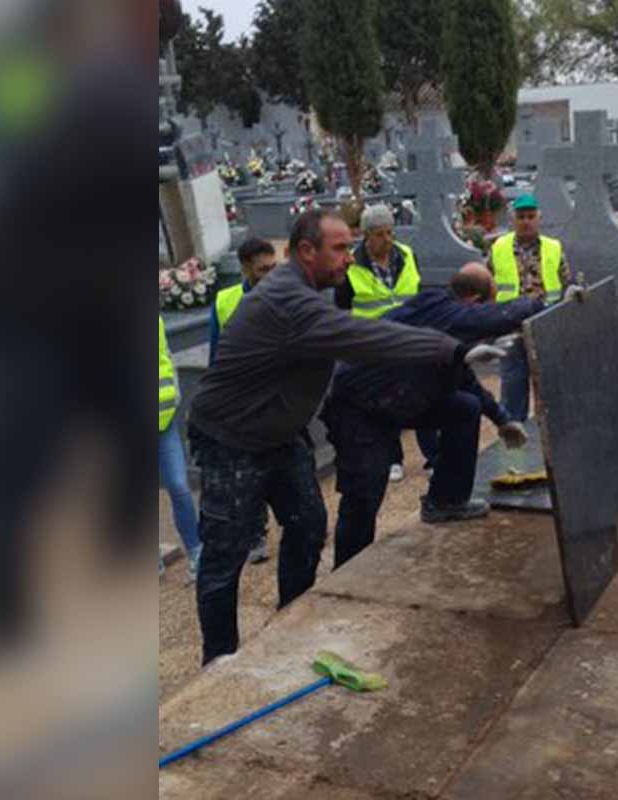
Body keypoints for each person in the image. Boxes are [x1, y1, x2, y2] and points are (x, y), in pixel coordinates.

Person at [187, 209, 504, 664]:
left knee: (308, 526)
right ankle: (218, 660)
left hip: (279, 434)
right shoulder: (289, 299)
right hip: (230, 438)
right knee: (226, 553)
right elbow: (364, 336)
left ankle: (289, 626)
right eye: (339, 248)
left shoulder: (314, 289)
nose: (349, 258)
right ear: (305, 251)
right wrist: (453, 349)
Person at [320, 263, 538, 569]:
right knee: (365, 491)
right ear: (474, 300)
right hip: (360, 407)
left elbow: (464, 379)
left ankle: (446, 502)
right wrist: (545, 305)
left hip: (397, 397)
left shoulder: (445, 317)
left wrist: (501, 420)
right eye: (488, 303)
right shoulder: (445, 311)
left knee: (464, 407)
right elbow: (502, 316)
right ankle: (346, 570)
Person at [335, 203, 421, 484]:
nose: (388, 239)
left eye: (390, 232)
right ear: (366, 236)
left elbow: (415, 295)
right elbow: (343, 310)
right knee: (386, 403)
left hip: (407, 338)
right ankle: (394, 458)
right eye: (381, 234)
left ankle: (433, 456)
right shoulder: (351, 266)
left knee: (422, 394)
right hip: (373, 345)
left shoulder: (407, 255)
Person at [209, 237, 279, 564]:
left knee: (294, 462)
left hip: (280, 396)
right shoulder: (225, 301)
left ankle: (304, 523)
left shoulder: (285, 294)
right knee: (249, 471)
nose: (269, 275)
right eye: (263, 269)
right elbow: (215, 354)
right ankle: (255, 534)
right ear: (245, 268)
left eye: (273, 268)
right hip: (243, 400)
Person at [485, 193, 573, 422]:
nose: (526, 221)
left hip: (545, 324)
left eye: (531, 216)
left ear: (539, 218)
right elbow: (487, 285)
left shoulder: (554, 248)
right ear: (513, 220)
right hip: (510, 326)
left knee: (549, 384)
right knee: (513, 383)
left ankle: (553, 427)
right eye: (521, 216)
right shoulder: (499, 248)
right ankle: (515, 433)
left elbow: (567, 282)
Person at [159, 316, 202, 580]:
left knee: (178, 486)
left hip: (163, 420)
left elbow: (166, 357)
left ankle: (197, 551)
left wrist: (174, 396)